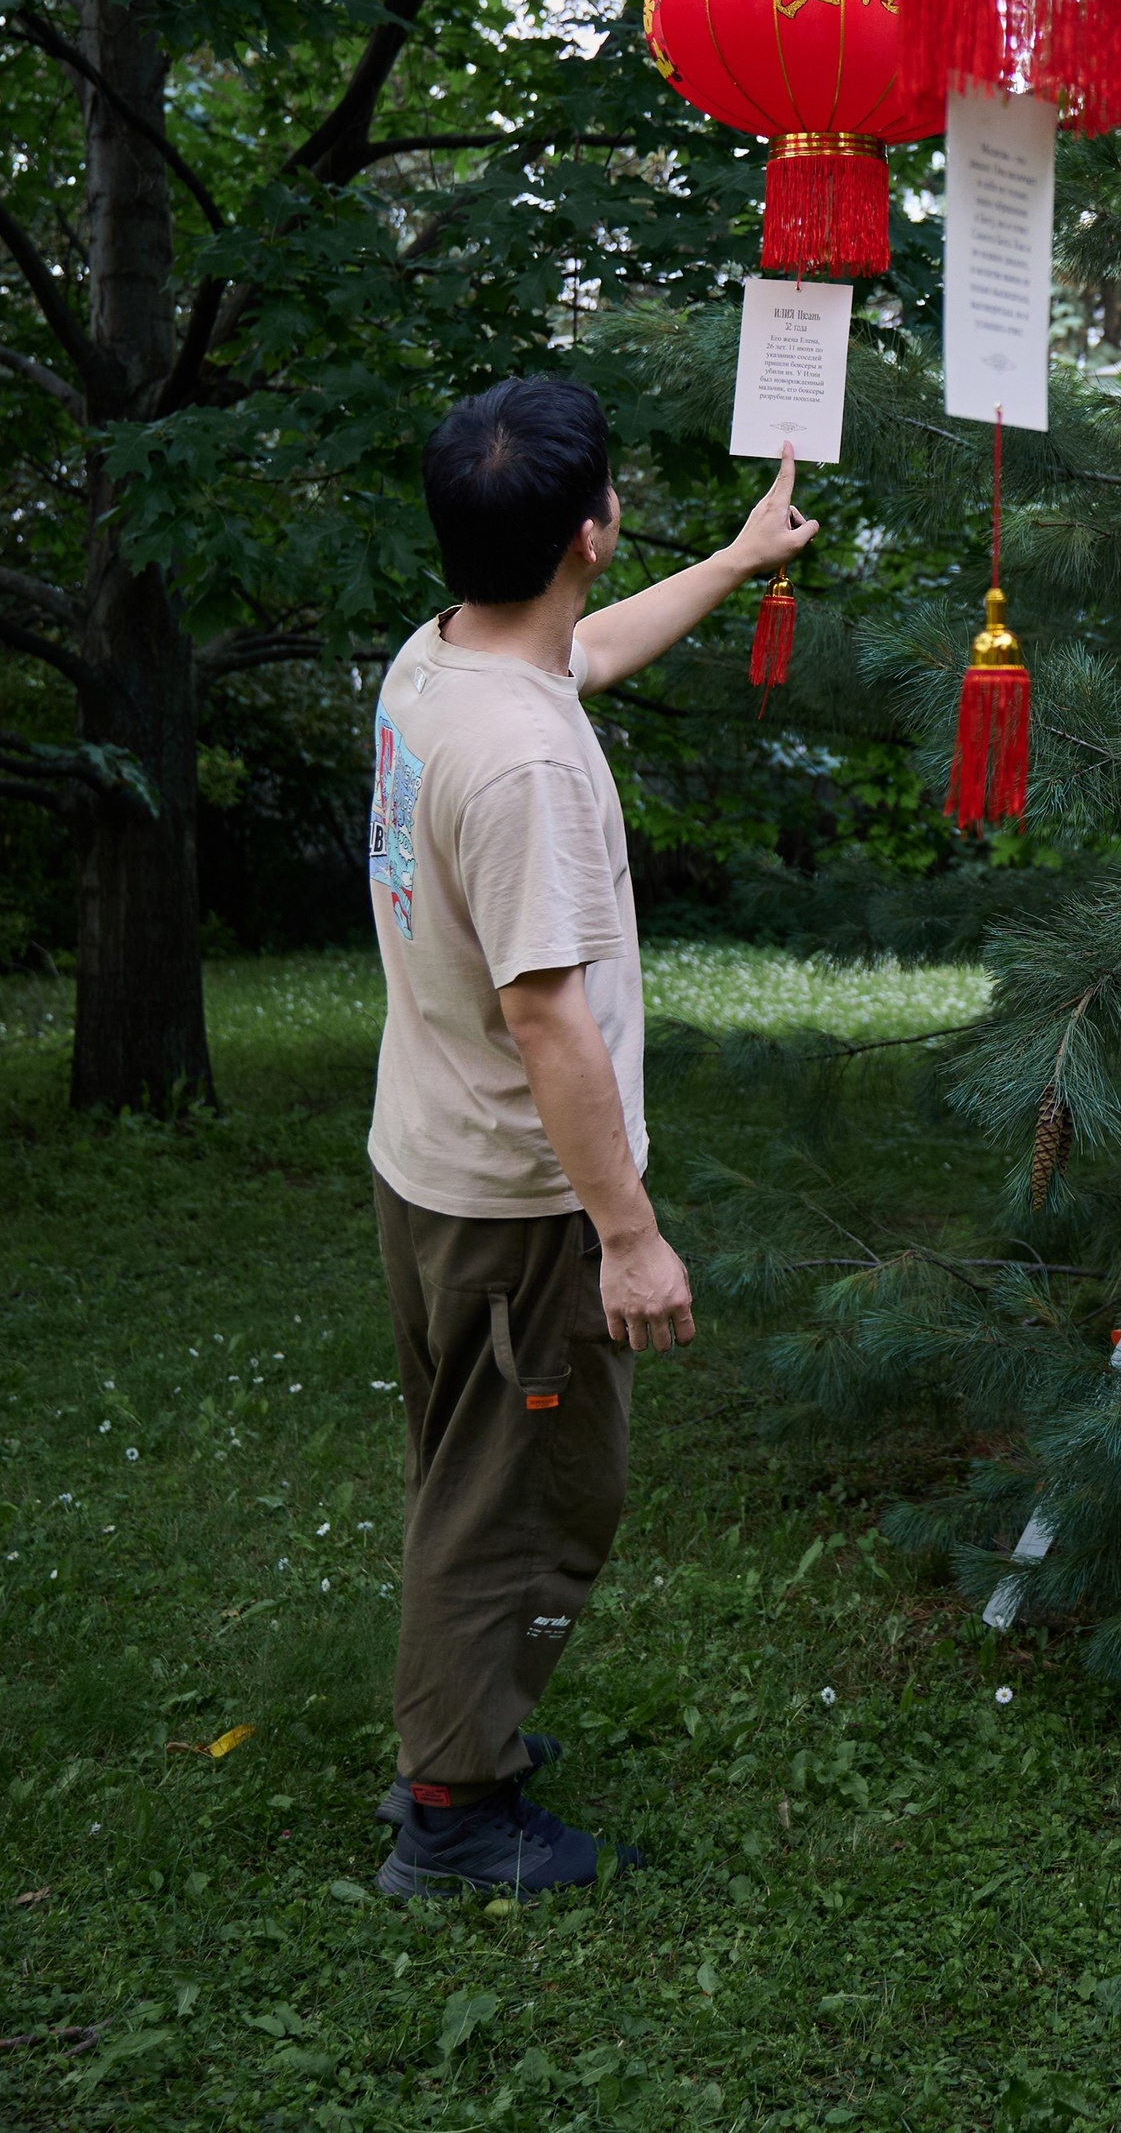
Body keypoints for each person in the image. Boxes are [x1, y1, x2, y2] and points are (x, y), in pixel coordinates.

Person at [365, 376, 813, 1895]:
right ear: (589, 530)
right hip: (521, 1206)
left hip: (430, 1163)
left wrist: (739, 558)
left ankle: (463, 1725)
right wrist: (627, 1236)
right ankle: (454, 1811)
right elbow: (548, 1019)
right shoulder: (527, 768)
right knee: (524, 1502)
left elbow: (587, 652)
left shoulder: (440, 662)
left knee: (468, 1472)